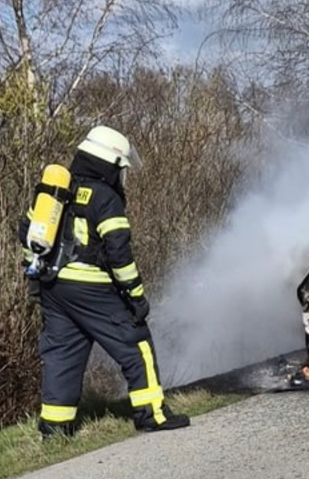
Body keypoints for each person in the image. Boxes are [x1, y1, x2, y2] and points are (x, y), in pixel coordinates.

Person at [18, 125, 190, 437]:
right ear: (109, 165)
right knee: (136, 342)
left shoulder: (59, 190)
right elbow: (118, 251)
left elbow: (26, 233)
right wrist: (135, 296)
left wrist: (36, 278)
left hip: (54, 287)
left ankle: (55, 429)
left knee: (62, 353)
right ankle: (152, 413)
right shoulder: (105, 197)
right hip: (91, 287)